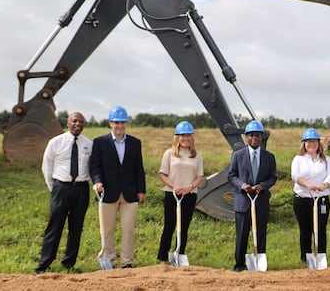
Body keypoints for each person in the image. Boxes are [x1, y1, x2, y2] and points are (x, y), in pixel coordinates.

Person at [90, 105, 146, 269]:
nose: (119, 126)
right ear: (110, 123)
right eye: (116, 122)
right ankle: (109, 259)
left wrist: (141, 190)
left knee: (128, 230)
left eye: (122, 122)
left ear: (127, 123)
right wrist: (97, 181)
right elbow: (95, 166)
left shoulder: (135, 143)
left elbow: (138, 168)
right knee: (107, 230)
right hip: (107, 192)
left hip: (130, 193)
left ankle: (127, 262)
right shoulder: (100, 142)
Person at [36, 112, 92, 274]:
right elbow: (47, 167)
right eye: (74, 121)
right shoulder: (56, 142)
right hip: (61, 188)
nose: (77, 124)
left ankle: (69, 263)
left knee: (76, 227)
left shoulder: (89, 144)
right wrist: (54, 188)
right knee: (54, 227)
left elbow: (91, 167)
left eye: (81, 122)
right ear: (67, 123)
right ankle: (44, 263)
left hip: (81, 189)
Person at [228, 120, 277, 272]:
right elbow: (231, 176)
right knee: (242, 234)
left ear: (261, 137)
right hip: (243, 201)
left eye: (257, 135)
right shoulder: (238, 155)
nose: (254, 138)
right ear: (246, 137)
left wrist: (262, 186)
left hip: (261, 201)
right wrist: (243, 186)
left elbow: (272, 177)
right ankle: (240, 264)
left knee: (260, 233)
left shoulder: (269, 157)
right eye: (251, 135)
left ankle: (259, 262)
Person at [157, 121, 204, 266]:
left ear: (192, 138)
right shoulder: (169, 153)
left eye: (188, 136)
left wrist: (189, 187)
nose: (185, 138)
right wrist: (175, 186)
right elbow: (162, 174)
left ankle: (180, 254)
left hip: (189, 195)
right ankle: (163, 258)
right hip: (172, 194)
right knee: (169, 225)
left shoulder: (197, 155)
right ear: (177, 137)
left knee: (183, 226)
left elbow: (199, 176)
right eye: (182, 135)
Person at [291, 128, 330, 264]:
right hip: (302, 200)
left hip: (321, 199)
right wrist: (308, 185)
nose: (311, 144)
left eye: (314, 141)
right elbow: (295, 176)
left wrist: (325, 184)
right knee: (305, 229)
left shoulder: (326, 159)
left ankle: (321, 256)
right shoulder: (298, 159)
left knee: (320, 229)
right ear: (304, 144)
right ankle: (306, 257)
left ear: (318, 144)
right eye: (308, 142)